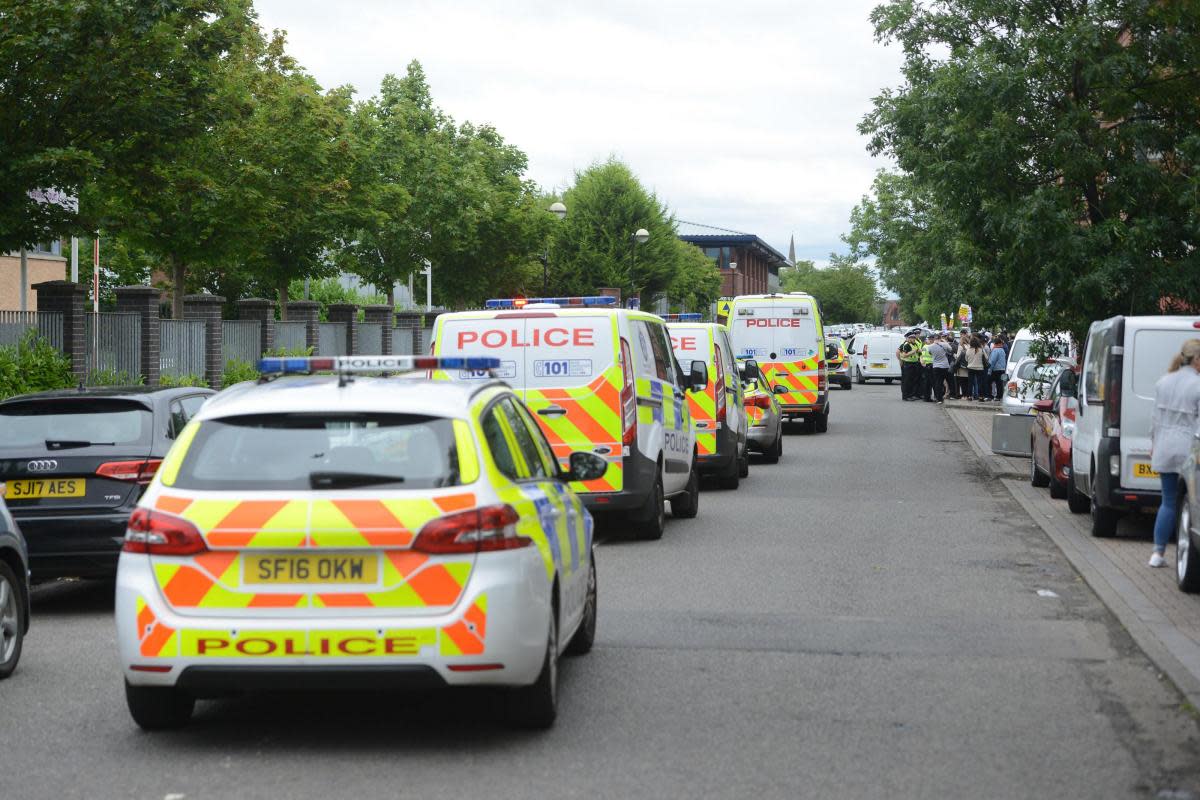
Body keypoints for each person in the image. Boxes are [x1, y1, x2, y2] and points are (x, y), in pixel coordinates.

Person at [1147, 340, 1200, 568]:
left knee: (1168, 502)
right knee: (1193, 504)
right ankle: (1188, 552)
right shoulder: (1198, 385)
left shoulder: (1163, 382)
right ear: (1196, 359)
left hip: (1165, 447)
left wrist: (1153, 444)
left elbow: (1154, 421)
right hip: (1189, 449)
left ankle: (1157, 554)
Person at [926, 333, 952, 404]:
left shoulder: (930, 346)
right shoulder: (945, 344)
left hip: (936, 366)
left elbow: (930, 353)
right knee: (949, 381)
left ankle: (939, 399)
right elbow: (950, 349)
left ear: (934, 338)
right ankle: (952, 395)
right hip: (945, 366)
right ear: (940, 338)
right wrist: (945, 342)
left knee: (938, 383)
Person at [897, 330, 922, 401]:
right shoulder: (906, 345)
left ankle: (911, 395)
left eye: (914, 338)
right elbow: (904, 355)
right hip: (908, 364)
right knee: (907, 381)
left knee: (912, 380)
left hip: (914, 363)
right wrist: (913, 352)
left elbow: (918, 351)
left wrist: (920, 350)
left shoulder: (915, 344)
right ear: (909, 338)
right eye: (912, 338)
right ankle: (905, 396)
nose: (914, 339)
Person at [965, 335, 987, 400]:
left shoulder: (968, 350)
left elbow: (966, 359)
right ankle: (981, 397)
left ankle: (969, 396)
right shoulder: (981, 350)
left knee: (970, 383)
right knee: (980, 383)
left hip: (970, 368)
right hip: (980, 368)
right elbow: (986, 358)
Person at [953, 331, 971, 399]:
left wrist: (954, 355)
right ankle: (968, 395)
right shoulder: (970, 346)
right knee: (967, 382)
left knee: (962, 382)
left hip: (961, 367)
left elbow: (958, 357)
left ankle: (964, 395)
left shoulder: (961, 347)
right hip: (968, 366)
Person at [919, 334, 936, 401]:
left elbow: (921, 356)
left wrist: (922, 362)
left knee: (927, 382)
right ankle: (936, 397)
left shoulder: (924, 346)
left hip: (926, 366)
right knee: (934, 382)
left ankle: (926, 397)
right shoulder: (933, 347)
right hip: (932, 365)